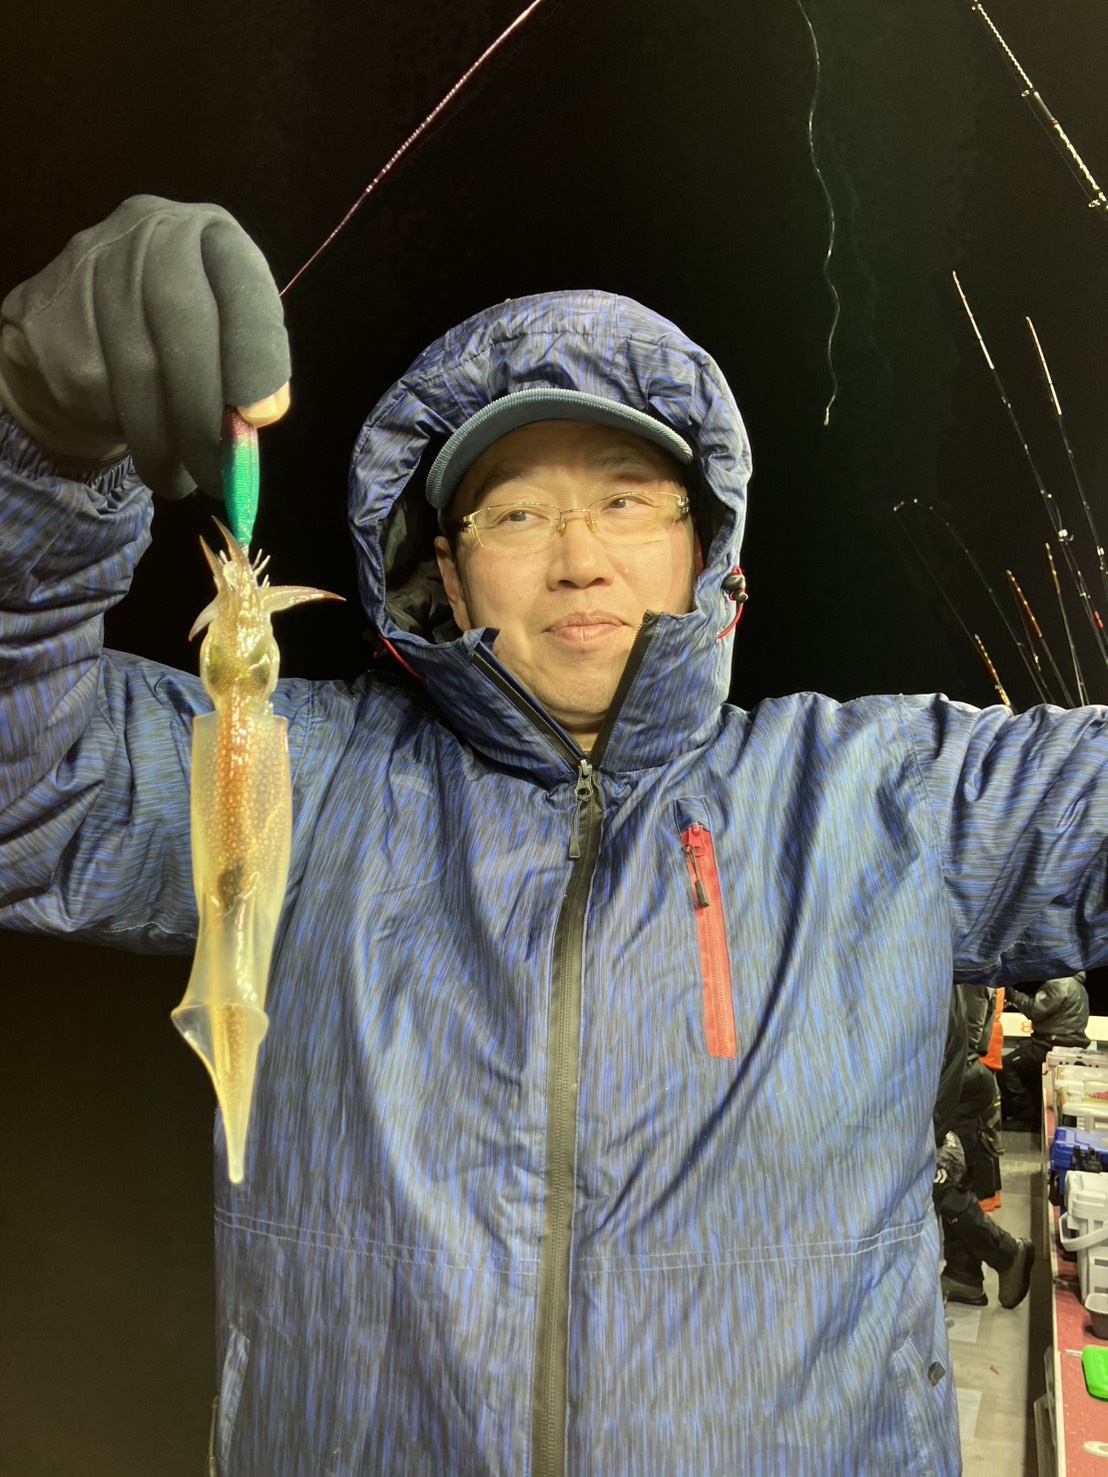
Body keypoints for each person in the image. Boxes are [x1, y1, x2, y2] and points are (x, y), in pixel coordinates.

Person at [2, 196, 1108, 1477]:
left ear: (706, 551)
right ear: (447, 571)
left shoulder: (889, 796)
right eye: (516, 514)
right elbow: (32, 784)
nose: (579, 558)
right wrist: (37, 452)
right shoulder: (296, 776)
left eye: (629, 501)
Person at [932, 989, 1033, 1308]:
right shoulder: (964, 976)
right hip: (958, 1081)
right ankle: (964, 1275)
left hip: (957, 1085)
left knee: (940, 1180)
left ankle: (1006, 1253)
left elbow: (962, 1041)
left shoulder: (965, 978)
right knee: (953, 1179)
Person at [1000, 971, 1091, 1131]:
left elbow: (1034, 1010)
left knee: (1006, 1066)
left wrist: (1012, 995)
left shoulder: (1059, 983)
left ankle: (1024, 1117)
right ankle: (1034, 1118)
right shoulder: (1078, 986)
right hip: (1068, 1045)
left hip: (1051, 1045)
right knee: (1028, 1068)